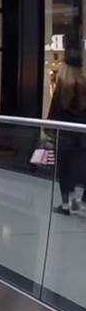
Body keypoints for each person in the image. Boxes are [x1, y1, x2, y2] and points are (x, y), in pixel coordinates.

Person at [49, 54, 86, 215]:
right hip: (83, 135)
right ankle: (82, 202)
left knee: (65, 170)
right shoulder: (84, 86)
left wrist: (49, 132)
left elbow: (54, 113)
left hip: (65, 136)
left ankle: (66, 205)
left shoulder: (62, 88)